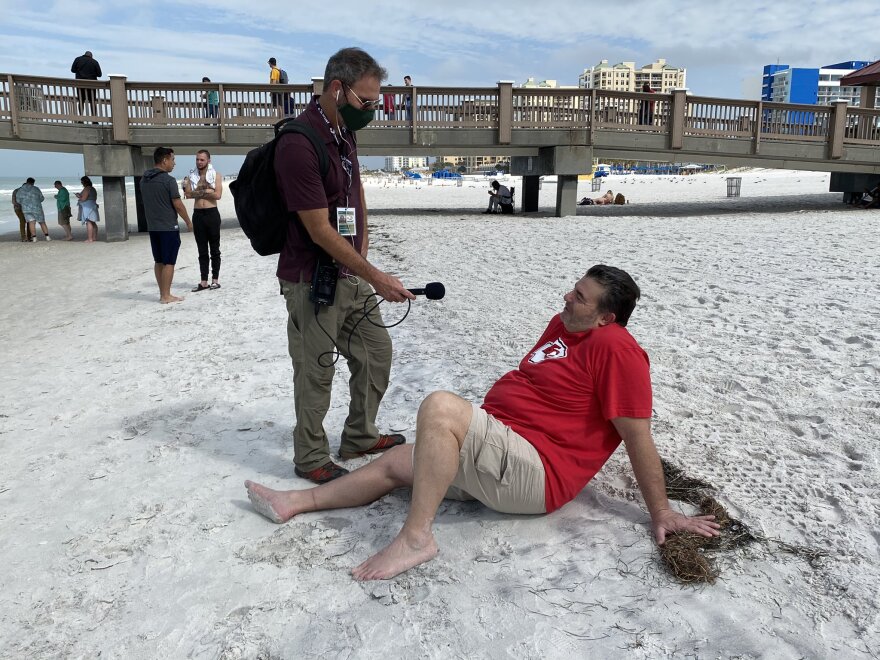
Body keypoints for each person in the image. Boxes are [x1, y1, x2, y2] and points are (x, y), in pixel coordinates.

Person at [245, 265, 722, 581]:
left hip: (537, 474)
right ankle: (298, 502)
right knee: (396, 462)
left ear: (606, 318)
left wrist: (661, 513)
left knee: (441, 408)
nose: (567, 297)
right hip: (503, 449)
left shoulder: (619, 351)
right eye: (573, 289)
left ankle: (416, 539)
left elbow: (638, 438)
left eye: (580, 297)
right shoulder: (564, 325)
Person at [273, 46, 415, 484]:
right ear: (337, 88)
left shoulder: (343, 133)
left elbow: (356, 196)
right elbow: (317, 228)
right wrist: (377, 276)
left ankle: (359, 435)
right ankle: (311, 456)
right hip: (311, 279)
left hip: (350, 273)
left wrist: (364, 255)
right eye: (367, 101)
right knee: (316, 368)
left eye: (376, 102)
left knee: (375, 352)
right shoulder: (298, 142)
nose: (372, 110)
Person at [140, 147, 193, 304]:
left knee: (159, 261)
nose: (174, 163)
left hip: (153, 227)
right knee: (169, 261)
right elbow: (177, 204)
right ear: (164, 160)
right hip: (168, 227)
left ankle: (163, 293)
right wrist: (189, 222)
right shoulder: (168, 180)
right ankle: (166, 296)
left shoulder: (144, 179)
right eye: (173, 159)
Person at [183, 150, 223, 291]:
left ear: (208, 161)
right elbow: (188, 194)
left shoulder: (216, 175)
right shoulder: (191, 177)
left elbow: (217, 195)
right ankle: (204, 281)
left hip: (212, 214)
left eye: (202, 160)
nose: (199, 162)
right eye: (197, 159)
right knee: (202, 250)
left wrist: (201, 193)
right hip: (198, 215)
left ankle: (215, 280)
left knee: (214, 249)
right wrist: (207, 191)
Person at [70, 50, 102, 117]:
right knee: (92, 101)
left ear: (84, 54)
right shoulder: (94, 62)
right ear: (91, 56)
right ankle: (94, 119)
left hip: (80, 84)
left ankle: (81, 118)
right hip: (92, 85)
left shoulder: (77, 59)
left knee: (81, 101)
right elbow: (99, 74)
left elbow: (72, 70)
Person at [75, 176, 101, 242]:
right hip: (93, 205)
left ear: (84, 182)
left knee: (88, 222)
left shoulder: (87, 188)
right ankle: (94, 237)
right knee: (93, 222)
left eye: (82, 182)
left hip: (87, 207)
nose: (81, 183)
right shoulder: (93, 189)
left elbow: (84, 198)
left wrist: (79, 197)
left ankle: (90, 239)